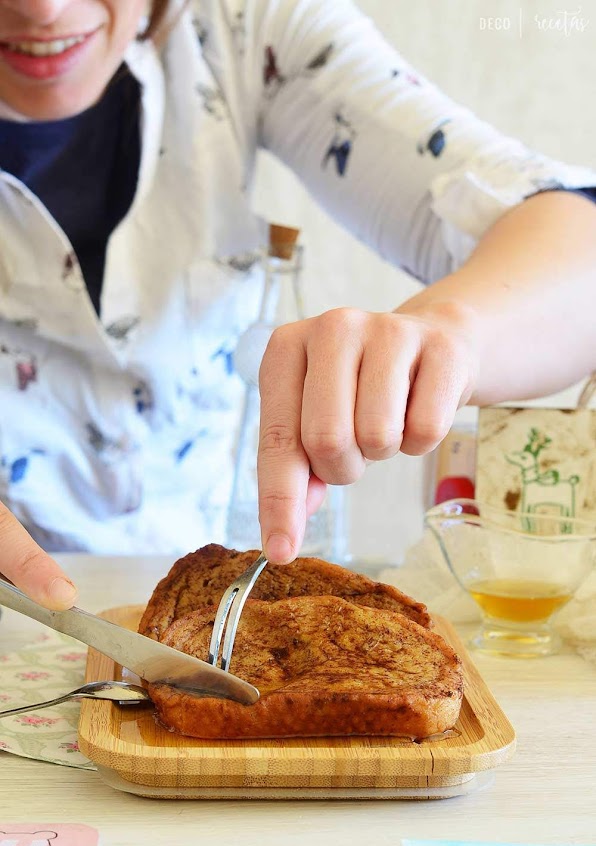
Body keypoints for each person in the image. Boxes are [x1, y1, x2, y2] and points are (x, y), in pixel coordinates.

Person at [0, 0, 594, 611]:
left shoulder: (242, 24)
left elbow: (577, 240)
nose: (44, 10)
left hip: (222, 603)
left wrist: (449, 331)